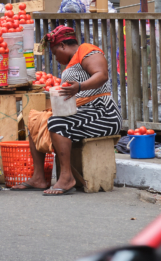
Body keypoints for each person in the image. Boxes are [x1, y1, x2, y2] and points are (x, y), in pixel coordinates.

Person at [21, 25, 123, 195]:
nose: (55, 57)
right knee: (35, 121)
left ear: (62, 45)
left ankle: (67, 177)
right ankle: (39, 177)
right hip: (84, 113)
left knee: (56, 123)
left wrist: (79, 87)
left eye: (54, 53)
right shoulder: (72, 63)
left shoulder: (86, 49)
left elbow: (101, 74)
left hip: (104, 112)